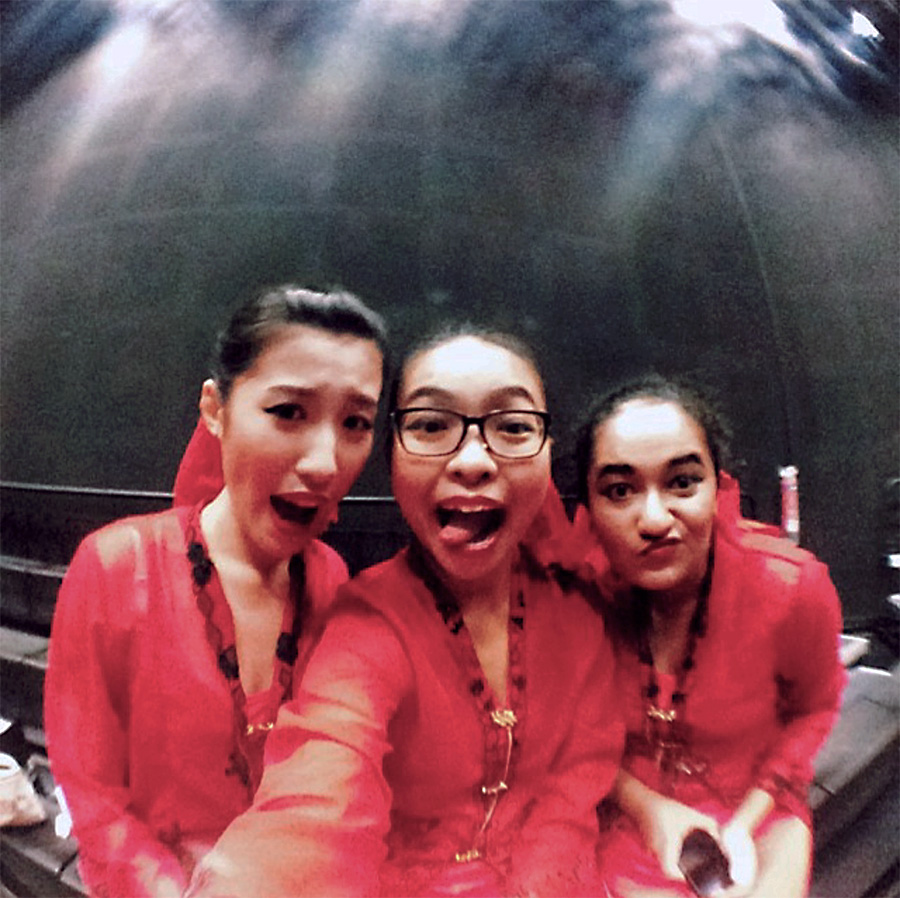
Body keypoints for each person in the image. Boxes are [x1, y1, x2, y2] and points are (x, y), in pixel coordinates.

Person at [187, 326, 624, 898]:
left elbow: (575, 789)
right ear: (390, 454)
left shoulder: (580, 616)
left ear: (547, 450)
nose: (473, 460)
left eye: (514, 427)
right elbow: (319, 793)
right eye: (431, 425)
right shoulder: (368, 624)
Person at [44, 285, 387, 898]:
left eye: (355, 423)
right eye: (289, 412)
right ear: (215, 409)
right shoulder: (118, 568)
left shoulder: (332, 581)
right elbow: (94, 798)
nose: (325, 462)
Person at [573, 374, 845, 898]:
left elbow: (814, 710)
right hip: (623, 813)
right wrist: (647, 809)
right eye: (620, 491)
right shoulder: (574, 602)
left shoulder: (790, 588)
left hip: (757, 808)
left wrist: (746, 822)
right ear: (588, 506)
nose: (654, 519)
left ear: (718, 488)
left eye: (682, 483)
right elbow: (566, 739)